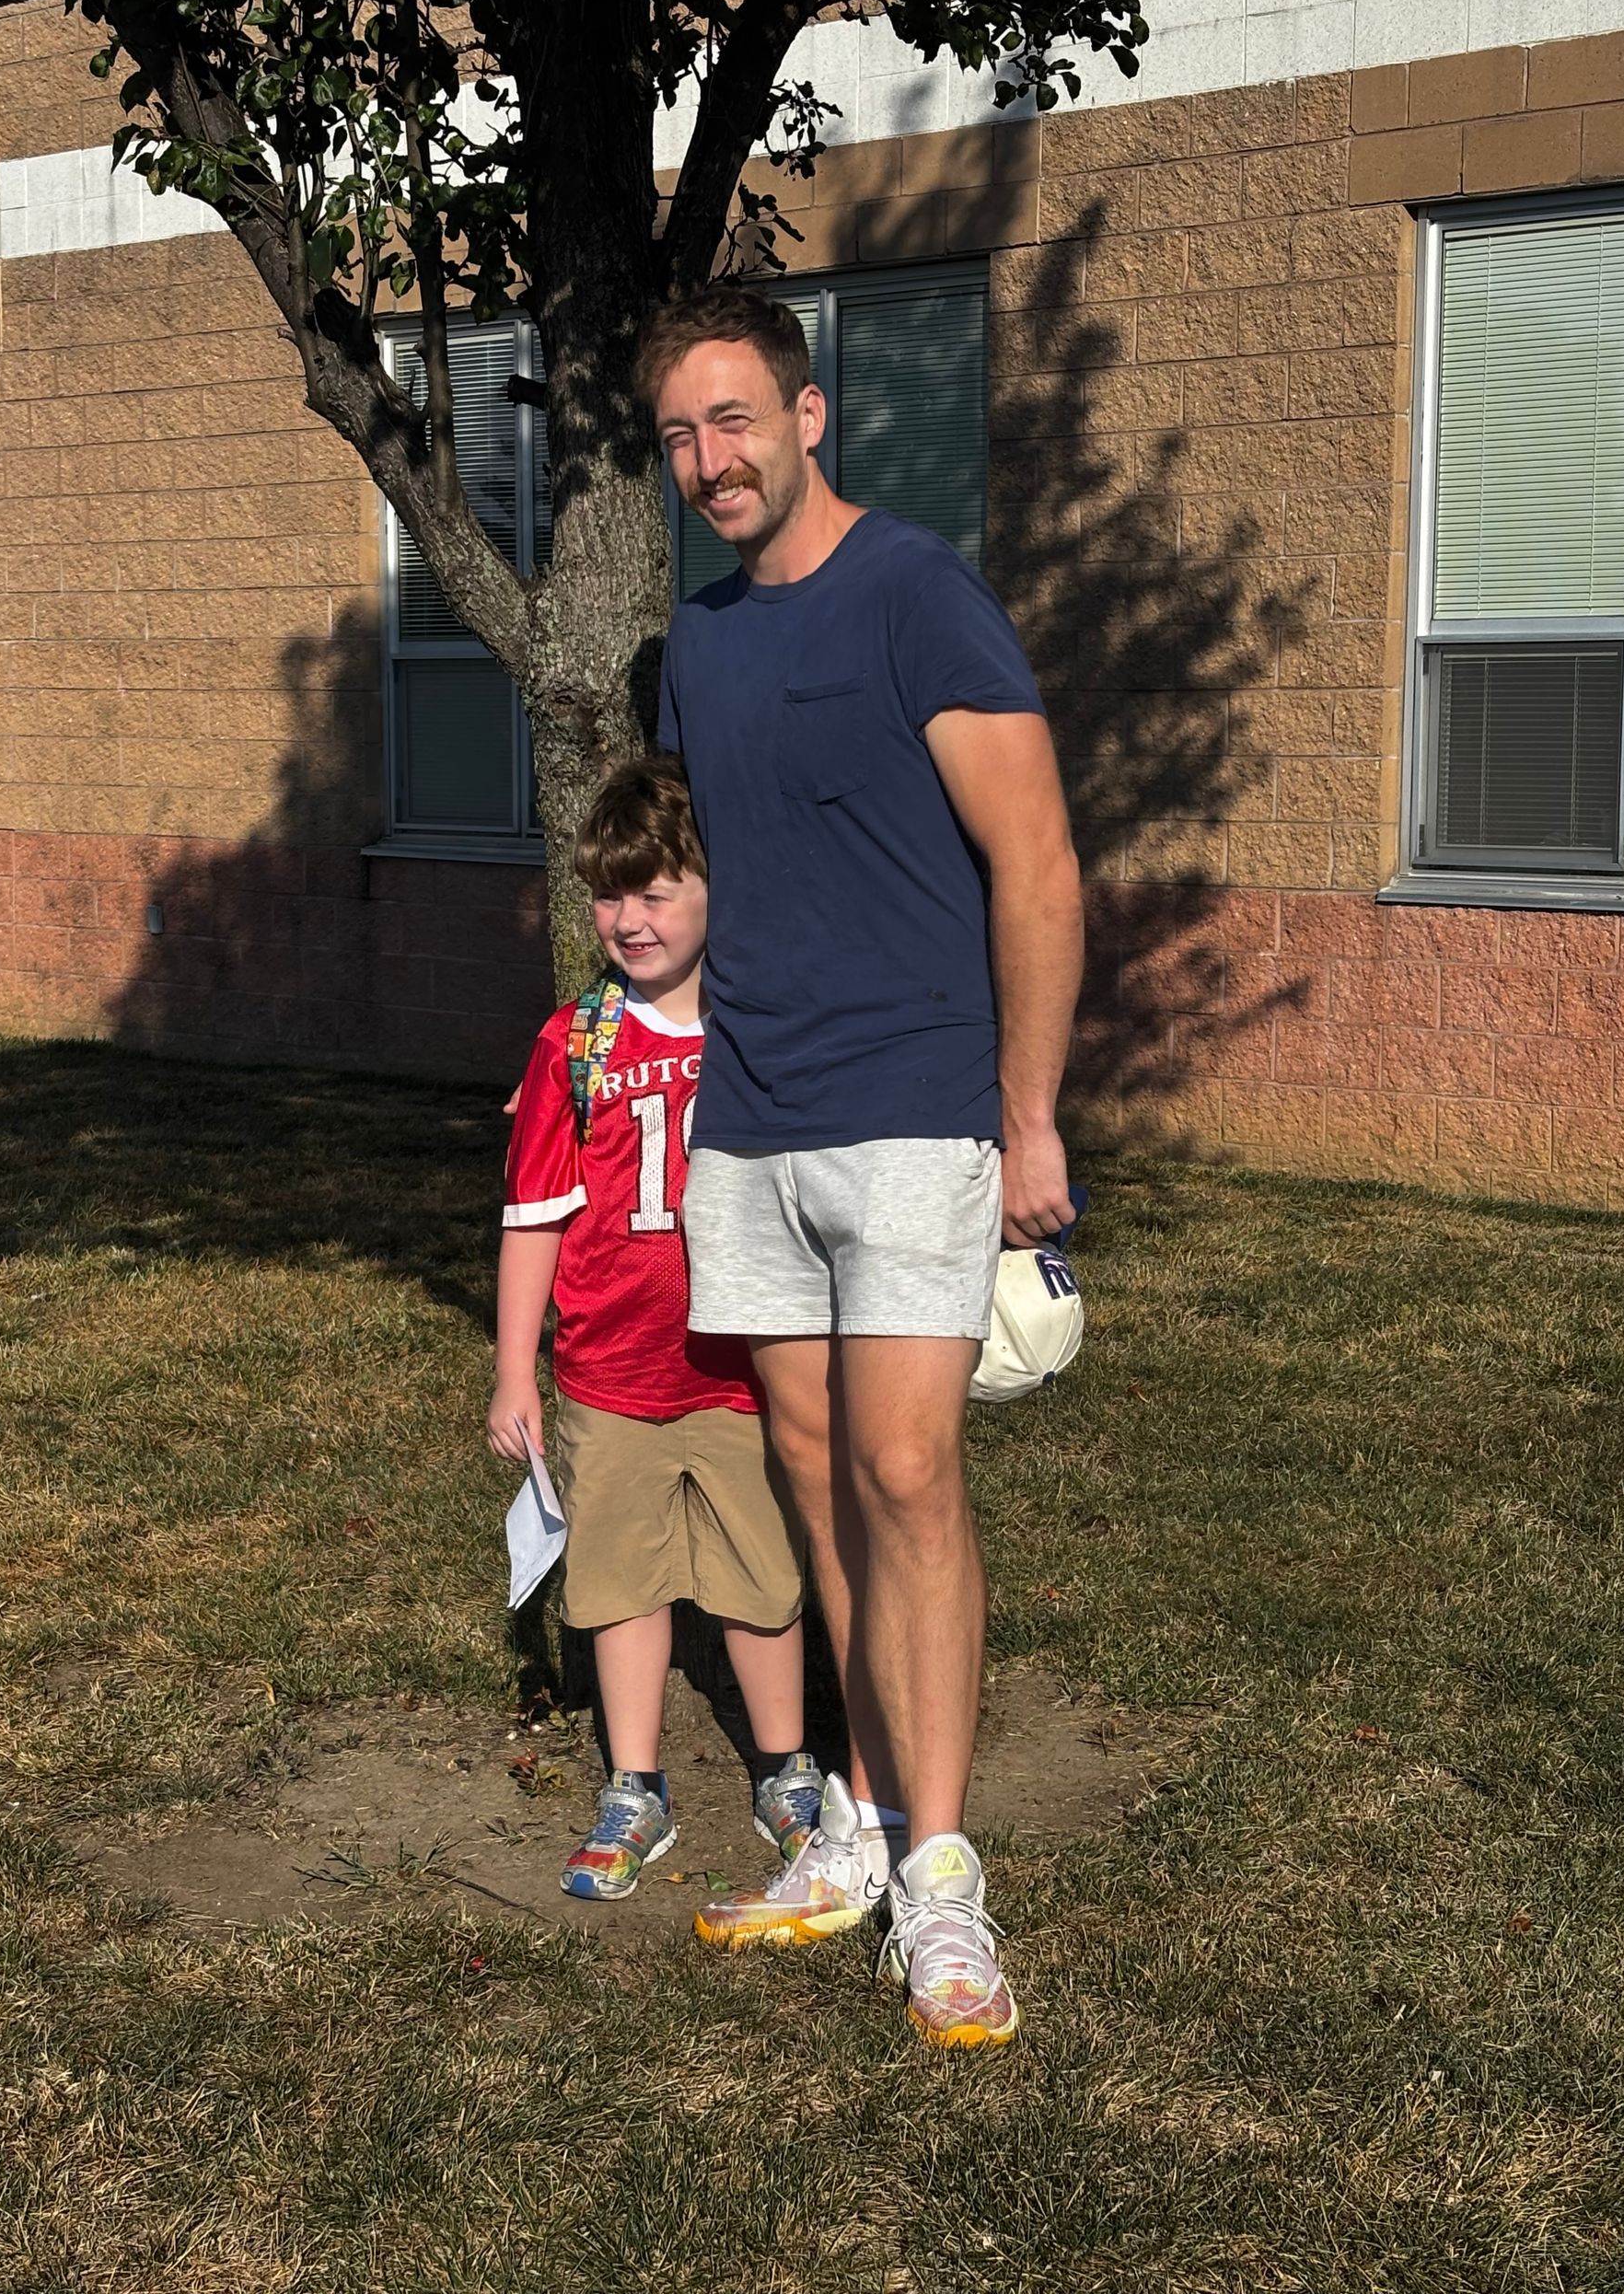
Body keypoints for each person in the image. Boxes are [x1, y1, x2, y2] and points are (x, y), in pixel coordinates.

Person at [641, 286, 1083, 2047]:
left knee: (908, 1472)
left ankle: (949, 1878)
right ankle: (868, 1823)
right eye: (679, 435)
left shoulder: (916, 594)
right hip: (749, 1120)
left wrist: (1030, 1112)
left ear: (810, 417)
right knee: (819, 1477)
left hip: (913, 1103)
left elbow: (1037, 863)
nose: (710, 459)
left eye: (735, 418)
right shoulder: (696, 642)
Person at [487, 752, 823, 1901]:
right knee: (620, 1584)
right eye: (609, 894)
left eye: (657, 891)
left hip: (749, 1372)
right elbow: (531, 1220)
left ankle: (786, 1767)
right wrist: (513, 1374)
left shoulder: (762, 1028)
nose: (629, 919)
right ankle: (636, 1783)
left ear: (714, 889)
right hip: (607, 1376)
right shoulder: (573, 1045)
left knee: (760, 1579)